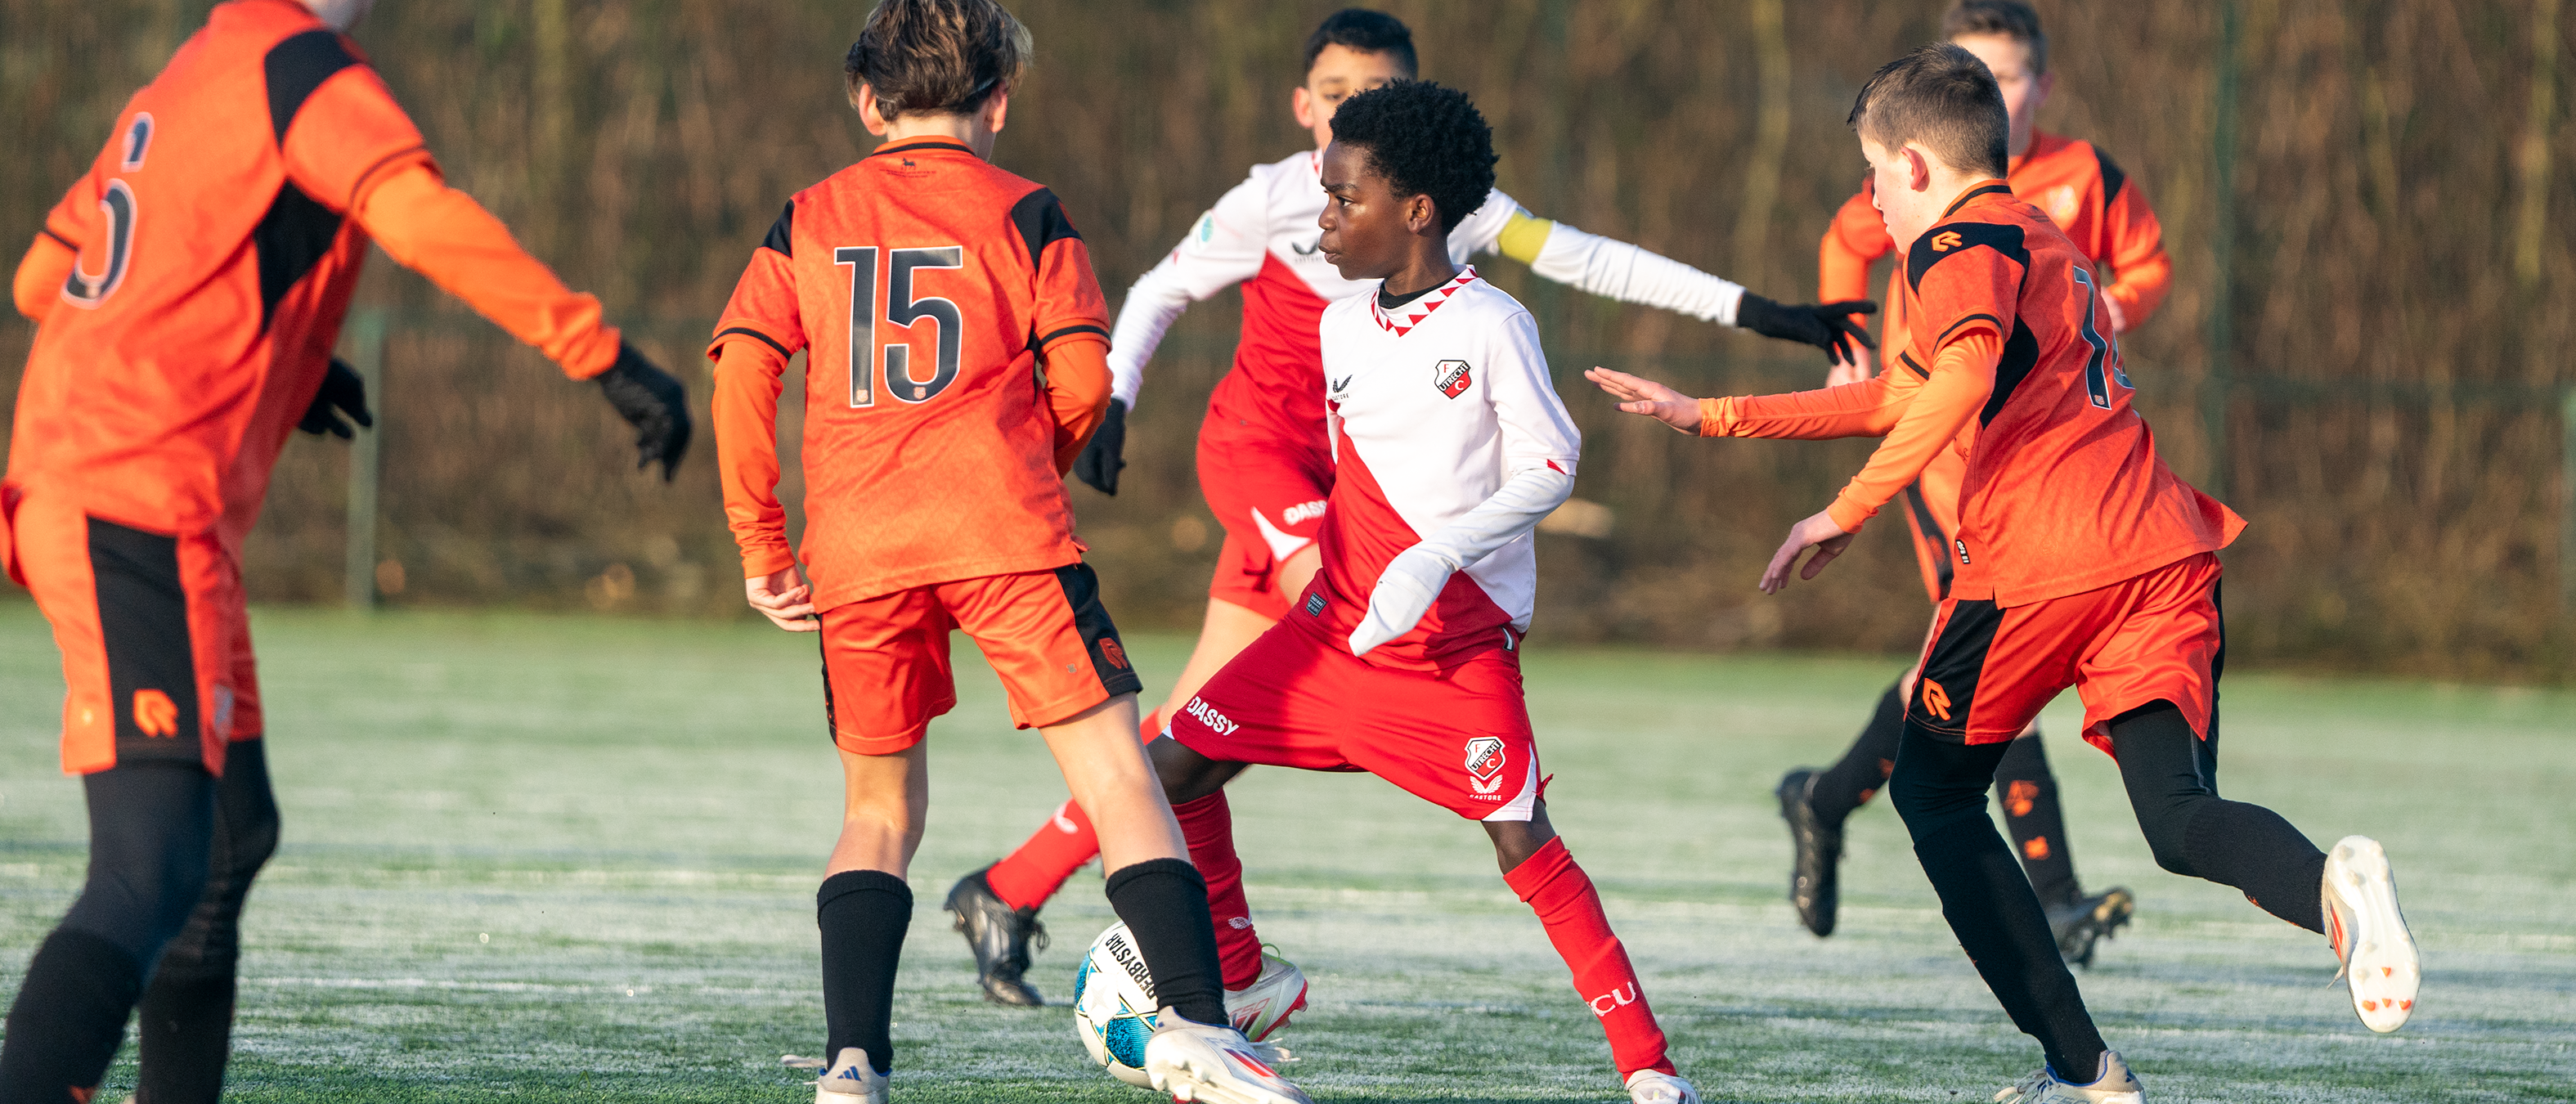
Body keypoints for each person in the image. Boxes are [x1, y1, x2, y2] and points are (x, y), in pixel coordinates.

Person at [947, 5, 1874, 1012]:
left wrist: (1764, 314)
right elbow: (1163, 288)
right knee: (1316, 661)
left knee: (1205, 712)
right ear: (1306, 106)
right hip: (1263, 462)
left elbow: (1591, 258)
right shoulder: (1274, 198)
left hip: (1348, 487)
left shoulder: (1440, 208)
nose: (1360, 112)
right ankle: (1212, 951)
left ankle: (1011, 889)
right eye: (1342, 96)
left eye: (1382, 96)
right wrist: (1117, 393)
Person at [1590, 44, 2417, 1102]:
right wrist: (1711, 414)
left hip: (2037, 565)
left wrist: (1845, 508)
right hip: (2162, 552)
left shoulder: (1954, 241)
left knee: (1934, 795)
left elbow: (1963, 372)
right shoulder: (2043, 240)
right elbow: (1909, 390)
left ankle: (2085, 1069)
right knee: (2175, 818)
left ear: (1917, 168)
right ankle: (2328, 888)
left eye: (1873, 176)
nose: (1871, 202)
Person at [0, 0, 692, 1098]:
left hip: (129, 495)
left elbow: (46, 279)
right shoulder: (305, 69)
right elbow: (422, 218)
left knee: (229, 842)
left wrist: (268, 343)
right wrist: (603, 355)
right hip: (131, 495)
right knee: (150, 867)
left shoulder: (190, 73)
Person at [705, 2, 1304, 1102]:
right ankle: (1199, 1024)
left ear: (863, 98)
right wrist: (1033, 458)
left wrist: (761, 540)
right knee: (1122, 777)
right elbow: (1081, 380)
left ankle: (851, 1065)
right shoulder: (1027, 210)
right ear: (999, 99)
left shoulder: (807, 214)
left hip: (859, 542)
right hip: (1005, 532)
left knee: (877, 811)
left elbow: (743, 369)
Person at [1152, 80, 1703, 1104]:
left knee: (1522, 838)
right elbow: (1357, 474)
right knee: (1172, 769)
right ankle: (1238, 977)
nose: (1320, 223)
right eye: (1320, 198)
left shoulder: (1495, 323)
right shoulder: (1341, 328)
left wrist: (1437, 554)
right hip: (1333, 638)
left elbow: (1551, 466)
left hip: (1453, 652)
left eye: (1341, 200)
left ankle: (1651, 1070)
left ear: (1416, 212)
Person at [1777, 0, 2175, 963]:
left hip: (2042, 462)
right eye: (1977, 72)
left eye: (2012, 74)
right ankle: (2059, 896)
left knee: (1963, 668)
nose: (1996, 90)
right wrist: (1848, 338)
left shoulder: (2080, 176)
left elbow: (2150, 267)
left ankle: (1824, 799)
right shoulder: (1925, 175)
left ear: (2044, 81)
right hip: (1950, 463)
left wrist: (2109, 307)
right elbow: (1846, 239)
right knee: (1997, 657)